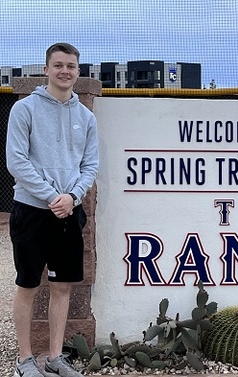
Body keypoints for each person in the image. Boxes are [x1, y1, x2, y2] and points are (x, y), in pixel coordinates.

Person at [6, 42, 99, 377]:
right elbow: (16, 161)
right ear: (46, 69)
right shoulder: (25, 110)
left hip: (68, 213)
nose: (65, 71)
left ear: (78, 71)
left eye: (71, 66)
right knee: (28, 284)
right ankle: (25, 360)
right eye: (58, 65)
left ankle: (56, 358)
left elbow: (90, 166)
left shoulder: (86, 118)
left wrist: (72, 197)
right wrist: (50, 196)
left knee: (62, 288)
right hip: (32, 211)